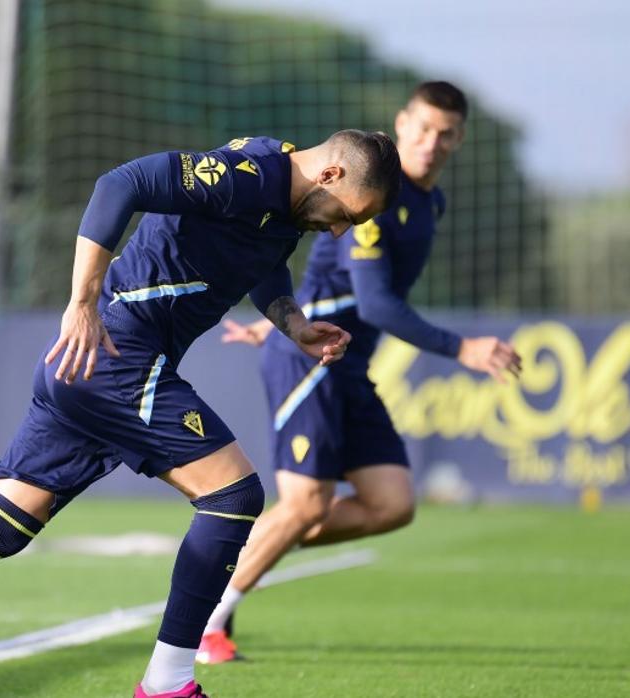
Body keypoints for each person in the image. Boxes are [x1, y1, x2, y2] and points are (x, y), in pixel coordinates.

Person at [0, 129, 402, 698]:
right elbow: (121, 184)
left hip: (94, 366)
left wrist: (293, 325)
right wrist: (82, 302)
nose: (343, 232)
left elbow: (263, 259)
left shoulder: (282, 202)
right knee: (233, 496)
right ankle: (168, 684)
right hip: (114, 352)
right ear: (330, 177)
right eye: (350, 216)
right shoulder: (251, 176)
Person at [197, 82, 523, 664]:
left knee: (392, 503)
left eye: (446, 133)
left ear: (460, 139)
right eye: (423, 128)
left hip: (350, 363)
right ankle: (208, 620)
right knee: (305, 504)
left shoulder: (430, 202)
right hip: (313, 358)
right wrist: (462, 348)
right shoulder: (370, 202)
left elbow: (355, 299)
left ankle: (246, 548)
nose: (431, 142)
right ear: (402, 125)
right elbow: (374, 304)